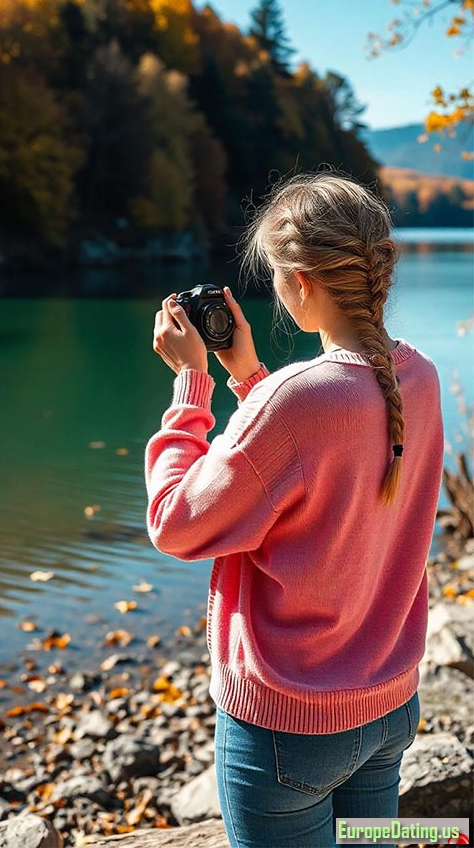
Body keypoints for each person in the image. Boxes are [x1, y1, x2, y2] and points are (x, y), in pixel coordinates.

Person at [144, 172, 444, 848]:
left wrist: (192, 387)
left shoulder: (294, 400)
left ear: (300, 283)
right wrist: (248, 377)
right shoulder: (419, 376)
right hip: (391, 707)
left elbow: (173, 520)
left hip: (288, 731)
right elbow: (328, 469)